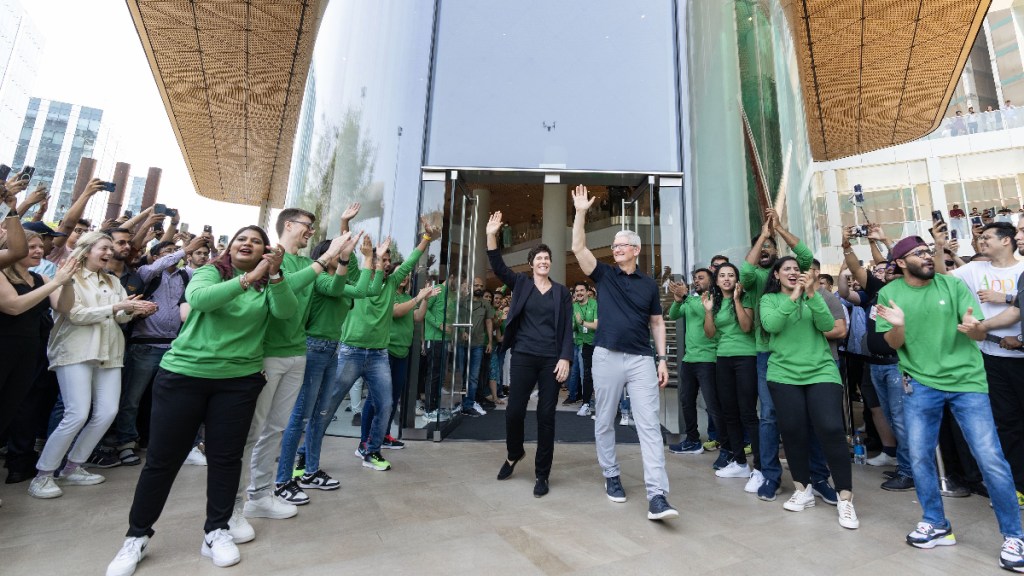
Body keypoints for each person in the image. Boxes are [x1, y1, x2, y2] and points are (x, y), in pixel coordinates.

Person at [106, 225, 296, 575]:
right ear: (231, 248)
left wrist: (276, 276)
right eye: (242, 238)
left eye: (256, 241)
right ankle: (136, 537)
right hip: (184, 376)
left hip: (238, 382)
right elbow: (201, 301)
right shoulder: (210, 272)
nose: (248, 243)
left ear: (265, 250)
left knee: (225, 460)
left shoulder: (269, 283)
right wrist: (249, 276)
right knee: (162, 461)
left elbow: (286, 313)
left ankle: (216, 531)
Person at [875, 236, 1024, 571]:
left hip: (967, 382)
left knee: (990, 457)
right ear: (900, 263)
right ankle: (936, 522)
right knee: (920, 456)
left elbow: (977, 332)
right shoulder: (889, 294)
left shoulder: (951, 286)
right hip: (920, 384)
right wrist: (898, 327)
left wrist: (975, 329)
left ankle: (1014, 537)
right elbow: (893, 343)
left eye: (929, 251)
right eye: (920, 254)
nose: (929, 256)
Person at [571, 185, 677, 521]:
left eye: (621, 245)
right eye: (614, 245)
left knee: (648, 425)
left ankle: (657, 495)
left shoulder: (648, 284)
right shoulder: (603, 276)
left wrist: (662, 359)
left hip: (642, 359)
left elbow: (657, 323)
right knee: (604, 420)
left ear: (635, 250)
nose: (615, 248)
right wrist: (581, 212)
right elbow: (577, 247)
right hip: (606, 356)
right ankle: (611, 475)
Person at [240, 208, 352, 523]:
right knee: (255, 429)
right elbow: (284, 288)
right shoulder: (271, 257)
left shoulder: (306, 263)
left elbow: (333, 288)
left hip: (297, 351)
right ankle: (244, 498)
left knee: (277, 426)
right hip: (267, 354)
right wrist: (326, 256)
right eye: (307, 226)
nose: (310, 231)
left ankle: (265, 492)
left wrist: (341, 260)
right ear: (288, 225)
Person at [30, 231, 158, 499]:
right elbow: (74, 315)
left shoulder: (113, 281)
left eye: (111, 249)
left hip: (109, 353)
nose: (109, 253)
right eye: (104, 248)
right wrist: (115, 309)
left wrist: (132, 310)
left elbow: (120, 319)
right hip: (75, 351)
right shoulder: (69, 277)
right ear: (87, 250)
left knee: (108, 412)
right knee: (76, 413)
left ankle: (73, 467)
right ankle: (42, 475)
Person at [740, 208, 836, 504]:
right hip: (768, 356)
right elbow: (744, 270)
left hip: (807, 358)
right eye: (762, 247)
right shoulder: (758, 279)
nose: (766, 250)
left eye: (770, 247)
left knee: (812, 419)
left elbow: (804, 257)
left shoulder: (795, 273)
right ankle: (770, 475)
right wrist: (763, 236)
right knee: (769, 417)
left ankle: (818, 477)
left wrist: (779, 229)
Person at [760, 257, 858, 529]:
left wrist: (812, 294)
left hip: (821, 370)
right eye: (787, 269)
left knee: (830, 429)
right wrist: (793, 297)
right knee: (792, 431)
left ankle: (845, 498)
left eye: (796, 269)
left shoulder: (815, 297)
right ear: (777, 275)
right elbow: (771, 325)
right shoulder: (769, 300)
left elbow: (828, 326)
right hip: (783, 373)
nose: (793, 273)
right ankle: (803, 490)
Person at [273, 228, 370, 505]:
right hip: (313, 349)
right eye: (339, 254)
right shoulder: (319, 282)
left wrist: (367, 258)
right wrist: (343, 259)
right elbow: (337, 286)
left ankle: (310, 472)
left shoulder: (336, 279)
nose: (343, 258)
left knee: (321, 413)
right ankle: (283, 479)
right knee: (300, 416)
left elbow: (363, 289)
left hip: (331, 350)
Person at [935, 221, 1024, 506]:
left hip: (1021, 355)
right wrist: (938, 247)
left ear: (1007, 241)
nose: (981, 241)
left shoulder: (1021, 270)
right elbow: (942, 277)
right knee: (1006, 424)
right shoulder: (974, 270)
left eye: (987, 237)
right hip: (994, 358)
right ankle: (1017, 486)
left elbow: (1016, 310)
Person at [486, 211, 572, 498]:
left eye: (547, 258)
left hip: (551, 360)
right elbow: (498, 267)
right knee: (513, 412)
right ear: (531, 264)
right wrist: (491, 235)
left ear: (550, 263)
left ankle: (542, 474)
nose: (544, 262)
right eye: (539, 259)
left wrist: (565, 357)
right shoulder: (521, 284)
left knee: (546, 416)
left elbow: (567, 330)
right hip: (523, 355)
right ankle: (514, 453)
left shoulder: (561, 293)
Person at [344, 218, 439, 471]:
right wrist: (345, 223)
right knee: (327, 403)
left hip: (379, 353)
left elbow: (409, 262)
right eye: (383, 259)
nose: (387, 263)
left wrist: (427, 239)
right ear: (371, 260)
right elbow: (347, 256)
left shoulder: (393, 284)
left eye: (388, 260)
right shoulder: (358, 277)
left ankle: (372, 448)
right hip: (351, 349)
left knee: (384, 402)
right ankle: (308, 455)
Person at [0, 232, 77, 451]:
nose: (38, 251)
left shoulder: (40, 278)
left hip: (29, 350)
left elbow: (64, 307)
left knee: (10, 407)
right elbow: (14, 306)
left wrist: (68, 282)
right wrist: (55, 284)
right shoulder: (2, 275)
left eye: (39, 247)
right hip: (4, 346)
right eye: (31, 247)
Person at [704, 263, 761, 491]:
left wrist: (736, 300)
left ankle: (759, 467)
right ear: (716, 280)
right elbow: (710, 334)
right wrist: (708, 310)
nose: (726, 279)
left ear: (737, 279)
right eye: (722, 276)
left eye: (731, 275)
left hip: (746, 358)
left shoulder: (745, 297)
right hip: (723, 358)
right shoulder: (714, 302)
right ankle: (739, 462)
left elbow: (746, 327)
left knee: (747, 412)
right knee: (729, 413)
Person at [666, 269, 720, 457]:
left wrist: (685, 296)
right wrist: (678, 299)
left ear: (711, 281)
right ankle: (692, 440)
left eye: (701, 278)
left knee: (713, 405)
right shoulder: (691, 301)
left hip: (708, 360)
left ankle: (728, 445)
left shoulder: (713, 299)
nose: (696, 281)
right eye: (695, 278)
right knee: (686, 401)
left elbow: (703, 310)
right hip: (689, 360)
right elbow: (673, 315)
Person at [568, 282, 597, 412]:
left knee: (597, 375)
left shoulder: (594, 304)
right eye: (577, 291)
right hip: (582, 344)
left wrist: (582, 322)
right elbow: (573, 327)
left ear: (586, 292)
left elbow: (597, 326)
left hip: (596, 344)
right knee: (584, 374)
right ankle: (586, 403)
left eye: (581, 290)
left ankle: (600, 401)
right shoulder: (573, 307)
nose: (579, 293)